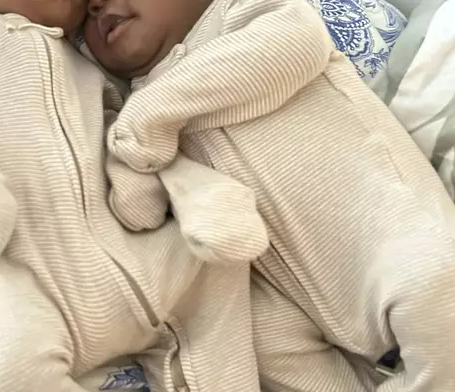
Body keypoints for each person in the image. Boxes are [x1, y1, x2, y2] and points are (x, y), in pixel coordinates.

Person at [0, 0, 268, 390]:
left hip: (141, 252)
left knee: (218, 264)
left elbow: (130, 138)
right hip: (12, 276)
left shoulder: (79, 60)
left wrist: (187, 191)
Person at [84, 0, 455, 391]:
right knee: (261, 341)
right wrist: (130, 168)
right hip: (290, 297)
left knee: (433, 282)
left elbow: (300, 42)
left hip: (391, 235)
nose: (95, 7)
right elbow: (142, 205)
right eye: (84, 12)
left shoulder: (241, 15)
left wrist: (147, 118)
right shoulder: (132, 110)